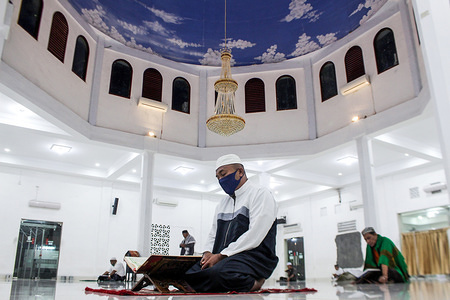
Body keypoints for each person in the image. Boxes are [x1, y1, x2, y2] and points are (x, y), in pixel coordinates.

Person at [184, 154, 279, 292]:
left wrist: (222, 255)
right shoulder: (223, 203)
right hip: (226, 258)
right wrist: (208, 253)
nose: (221, 180)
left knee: (221, 273)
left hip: (253, 256)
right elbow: (213, 233)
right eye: (218, 177)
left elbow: (255, 234)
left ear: (240, 171)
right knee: (187, 272)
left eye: (223, 174)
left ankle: (255, 282)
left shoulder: (260, 194)